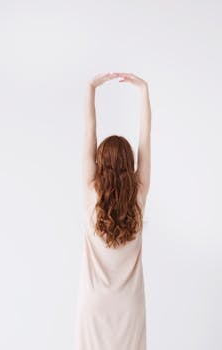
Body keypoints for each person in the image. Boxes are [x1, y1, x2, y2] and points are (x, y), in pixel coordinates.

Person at [74, 72, 152, 349]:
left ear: (99, 163)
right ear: (130, 164)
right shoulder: (138, 196)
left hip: (94, 302)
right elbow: (145, 137)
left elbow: (89, 129)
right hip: (129, 305)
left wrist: (91, 87)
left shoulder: (90, 193)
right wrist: (143, 90)